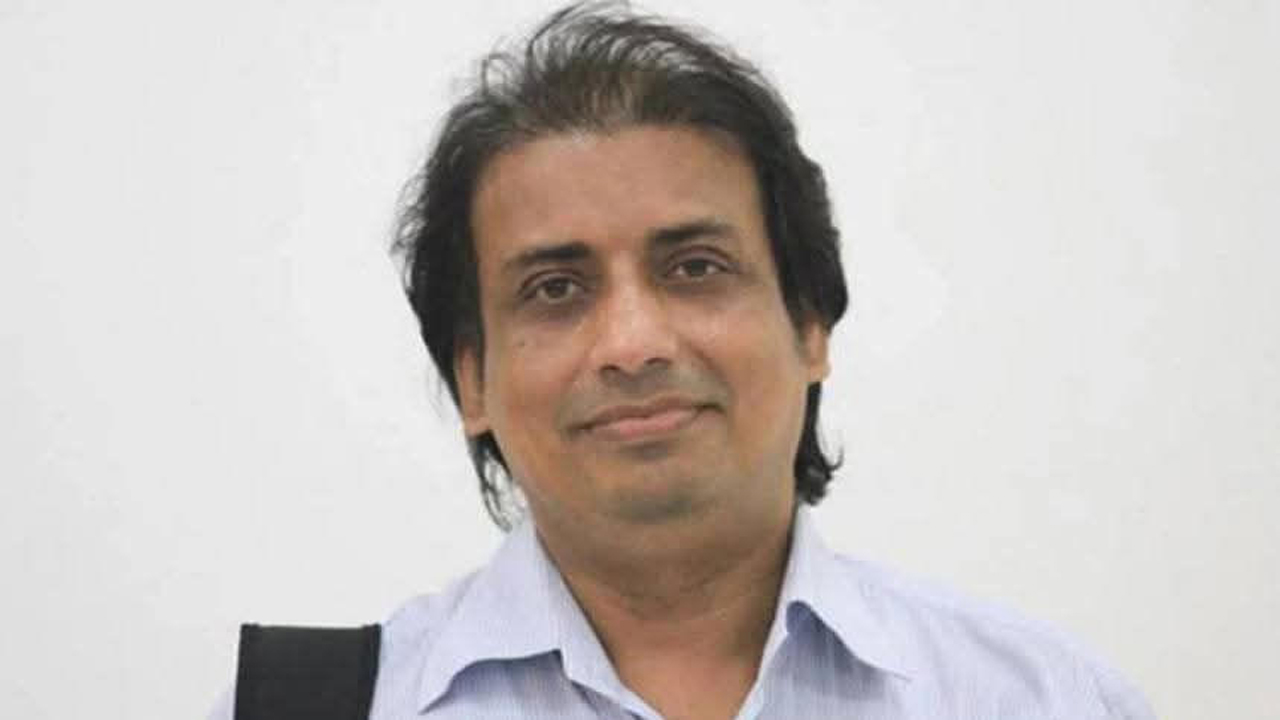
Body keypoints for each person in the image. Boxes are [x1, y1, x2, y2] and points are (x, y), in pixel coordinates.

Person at [213, 3, 1155, 718]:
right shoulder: (313, 711)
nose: (634, 344)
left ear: (811, 325)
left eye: (696, 268)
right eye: (555, 288)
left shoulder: (1044, 699)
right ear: (473, 382)